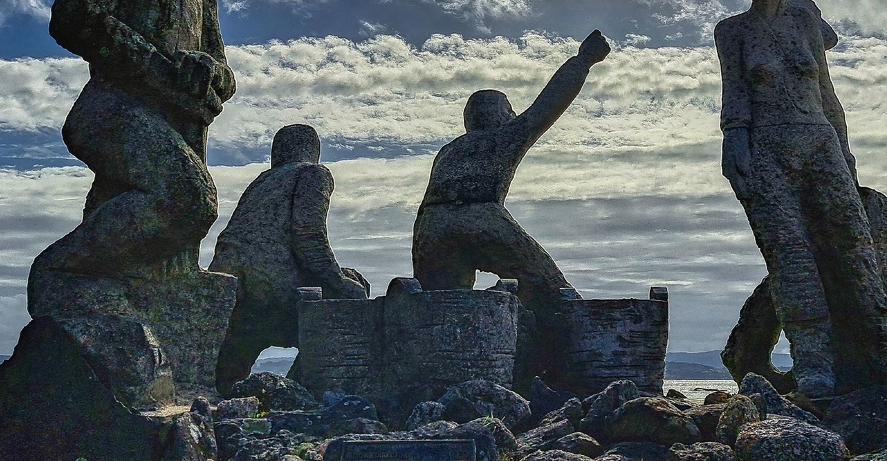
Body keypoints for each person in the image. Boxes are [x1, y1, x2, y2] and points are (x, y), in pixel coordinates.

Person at [715, 0, 887, 397]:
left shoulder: (804, 21)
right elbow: (734, 90)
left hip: (820, 141)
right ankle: (812, 359)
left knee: (853, 239)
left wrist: (844, 149)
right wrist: (733, 139)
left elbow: (826, 90)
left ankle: (879, 350)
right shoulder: (732, 30)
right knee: (789, 251)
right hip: (766, 147)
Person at [37, 0, 236, 276]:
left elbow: (224, 73)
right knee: (188, 198)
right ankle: (62, 273)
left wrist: (209, 74)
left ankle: (110, 293)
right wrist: (160, 68)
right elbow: (77, 16)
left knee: (159, 248)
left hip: (180, 126)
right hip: (112, 110)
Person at [412, 30, 610, 310]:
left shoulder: (447, 151)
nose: (515, 116)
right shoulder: (502, 138)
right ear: (500, 116)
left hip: (431, 226)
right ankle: (576, 333)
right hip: (480, 216)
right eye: (510, 110)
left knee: (438, 304)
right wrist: (584, 60)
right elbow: (548, 105)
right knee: (551, 290)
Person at [210, 124, 368, 393]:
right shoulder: (313, 173)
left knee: (235, 358)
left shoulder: (262, 181)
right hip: (272, 282)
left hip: (234, 282)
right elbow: (308, 235)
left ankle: (227, 397)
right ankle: (300, 393)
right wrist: (339, 281)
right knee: (353, 299)